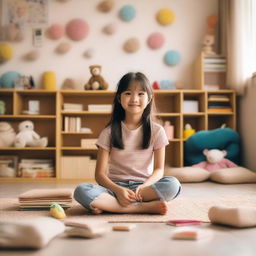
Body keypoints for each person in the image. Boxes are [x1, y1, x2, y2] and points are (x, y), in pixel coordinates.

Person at [74, 72, 181, 215]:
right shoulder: (109, 132)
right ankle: (142, 207)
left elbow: (159, 170)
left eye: (141, 94)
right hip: (114, 188)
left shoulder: (157, 131)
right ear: (119, 98)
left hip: (144, 188)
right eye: (128, 93)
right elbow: (100, 175)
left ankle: (111, 206)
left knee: (173, 185)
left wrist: (144, 186)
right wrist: (118, 191)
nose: (134, 99)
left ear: (149, 98)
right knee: (81, 190)